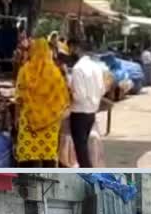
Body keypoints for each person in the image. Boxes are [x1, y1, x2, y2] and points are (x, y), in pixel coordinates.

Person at [15, 38, 70, 168]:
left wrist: (16, 117)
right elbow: (62, 98)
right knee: (48, 156)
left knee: (26, 155)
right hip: (50, 122)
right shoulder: (55, 73)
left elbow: (19, 97)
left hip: (28, 121)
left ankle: (24, 178)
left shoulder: (25, 70)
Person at [69, 39, 106, 168]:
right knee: (84, 145)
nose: (71, 52)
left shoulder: (77, 68)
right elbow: (102, 89)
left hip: (79, 111)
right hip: (92, 111)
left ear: (77, 48)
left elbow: (79, 95)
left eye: (72, 49)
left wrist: (70, 93)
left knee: (81, 148)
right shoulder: (96, 67)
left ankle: (87, 171)